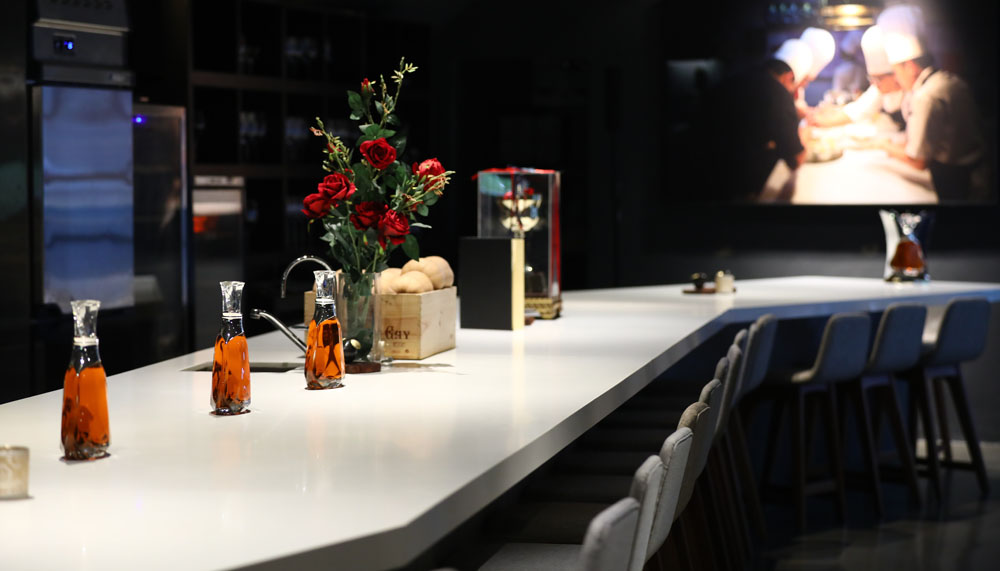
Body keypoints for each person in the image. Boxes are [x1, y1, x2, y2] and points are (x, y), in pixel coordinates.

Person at [873, 4, 986, 201]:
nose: (896, 79)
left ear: (910, 67)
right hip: (979, 169)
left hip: (957, 179)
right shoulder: (945, 79)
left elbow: (918, 161)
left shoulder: (925, 96)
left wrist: (883, 145)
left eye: (896, 72)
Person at [699, 39, 810, 200]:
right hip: (737, 191)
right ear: (789, 77)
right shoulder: (778, 92)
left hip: (702, 175)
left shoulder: (741, 76)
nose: (794, 92)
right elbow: (796, 159)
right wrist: (805, 133)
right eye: (796, 86)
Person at [807, 25, 905, 129]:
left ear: (895, 74)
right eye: (872, 78)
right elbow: (859, 110)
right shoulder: (879, 88)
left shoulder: (913, 95)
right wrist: (821, 120)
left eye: (878, 79)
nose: (874, 84)